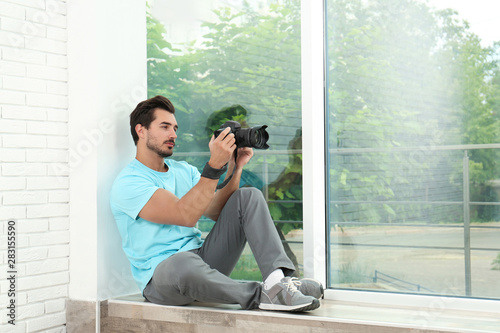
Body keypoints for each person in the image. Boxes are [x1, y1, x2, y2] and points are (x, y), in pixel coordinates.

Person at [110, 95, 323, 312]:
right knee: (181, 263)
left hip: (203, 260)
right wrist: (214, 165)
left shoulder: (184, 170)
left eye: (175, 128)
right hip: (163, 278)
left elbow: (216, 211)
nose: (173, 134)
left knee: (248, 196)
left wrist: (234, 166)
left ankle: (278, 281)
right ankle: (264, 294)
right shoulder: (129, 183)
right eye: (164, 127)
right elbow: (185, 215)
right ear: (141, 131)